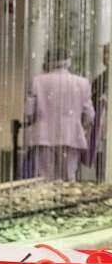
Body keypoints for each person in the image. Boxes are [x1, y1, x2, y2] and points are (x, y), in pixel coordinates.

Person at [24, 47, 95, 181]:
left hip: (44, 137)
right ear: (68, 61)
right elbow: (90, 115)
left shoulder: (38, 81)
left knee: (45, 179)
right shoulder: (82, 83)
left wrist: (36, 119)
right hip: (72, 137)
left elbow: (28, 112)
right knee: (69, 179)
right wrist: (81, 127)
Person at [84, 43, 109, 178]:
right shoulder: (100, 79)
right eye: (104, 53)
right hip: (101, 127)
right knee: (101, 160)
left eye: (108, 53)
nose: (105, 57)